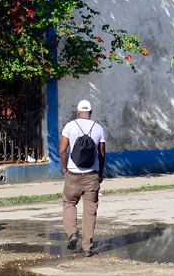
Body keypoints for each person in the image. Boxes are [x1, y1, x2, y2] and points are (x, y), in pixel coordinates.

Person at [60, 98, 106, 257]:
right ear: (91, 112)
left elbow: (62, 150)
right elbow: (102, 154)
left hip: (73, 174)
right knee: (90, 211)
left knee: (69, 203)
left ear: (78, 112)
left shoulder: (70, 126)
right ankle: (87, 247)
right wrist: (100, 173)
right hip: (91, 176)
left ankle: (72, 233)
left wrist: (66, 167)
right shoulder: (98, 128)